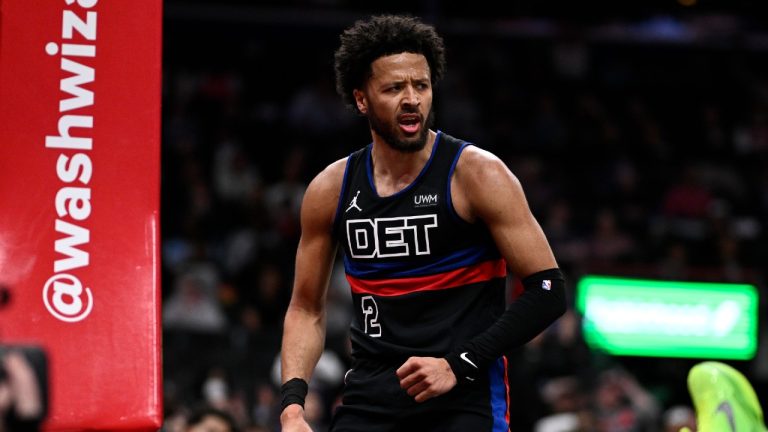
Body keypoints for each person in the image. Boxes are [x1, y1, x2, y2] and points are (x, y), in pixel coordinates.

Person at [279, 14, 566, 431]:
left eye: (421, 85)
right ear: (362, 100)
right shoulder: (331, 189)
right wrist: (292, 407)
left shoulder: (476, 174)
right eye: (394, 88)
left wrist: (458, 362)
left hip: (462, 393)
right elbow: (305, 308)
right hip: (370, 396)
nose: (412, 98)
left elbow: (547, 289)